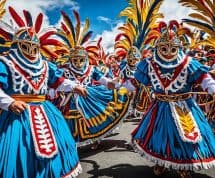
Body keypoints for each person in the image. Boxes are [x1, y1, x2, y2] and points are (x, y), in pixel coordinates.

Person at [131, 21, 215, 177]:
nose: (168, 52)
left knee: (186, 138)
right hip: (160, 107)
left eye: (172, 48)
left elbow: (204, 77)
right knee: (158, 137)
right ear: (157, 48)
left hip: (185, 107)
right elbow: (135, 82)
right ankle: (160, 162)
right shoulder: (149, 64)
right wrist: (118, 87)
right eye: (164, 48)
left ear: (179, 48)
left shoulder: (188, 63)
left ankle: (184, 164)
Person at [0, 7, 85, 177]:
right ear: (17, 45)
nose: (31, 50)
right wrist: (9, 102)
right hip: (17, 114)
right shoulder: (5, 61)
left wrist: (73, 86)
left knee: (58, 148)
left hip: (45, 111)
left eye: (33, 46)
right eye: (26, 46)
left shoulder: (46, 64)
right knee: (20, 153)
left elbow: (57, 81)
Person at [50, 11, 130, 148]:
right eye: (75, 59)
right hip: (70, 103)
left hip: (90, 98)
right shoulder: (63, 70)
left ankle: (95, 138)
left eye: (81, 59)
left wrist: (114, 83)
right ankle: (71, 146)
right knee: (71, 124)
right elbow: (56, 84)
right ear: (70, 59)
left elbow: (105, 81)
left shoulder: (92, 69)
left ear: (86, 59)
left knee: (92, 120)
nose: (78, 62)